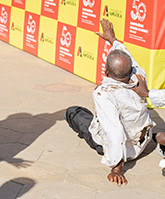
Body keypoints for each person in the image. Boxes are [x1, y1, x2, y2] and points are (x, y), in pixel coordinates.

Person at [65, 18, 156, 186]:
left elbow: (113, 129)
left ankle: (88, 136)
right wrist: (113, 40)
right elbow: (128, 58)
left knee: (73, 112)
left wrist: (116, 168)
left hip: (125, 152)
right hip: (143, 142)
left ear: (105, 71)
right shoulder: (139, 75)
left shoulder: (104, 93)